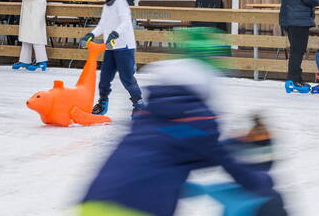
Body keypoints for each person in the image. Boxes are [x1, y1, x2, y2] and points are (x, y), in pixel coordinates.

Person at [79, 28, 284, 216]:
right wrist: (265, 186)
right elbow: (223, 161)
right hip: (138, 207)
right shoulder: (198, 116)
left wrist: (234, 144)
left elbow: (181, 148)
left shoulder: (151, 113)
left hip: (94, 202)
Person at [82, 0, 142, 116]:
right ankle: (102, 104)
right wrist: (92, 34)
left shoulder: (121, 2)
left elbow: (126, 22)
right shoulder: (107, 5)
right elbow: (102, 25)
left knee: (127, 78)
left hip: (125, 47)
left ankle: (139, 104)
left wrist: (115, 33)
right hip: (111, 46)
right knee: (105, 77)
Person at [279, 0, 319, 94]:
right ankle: (293, 80)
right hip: (299, 21)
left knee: (295, 51)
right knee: (298, 51)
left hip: (289, 19)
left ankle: (295, 79)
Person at [12, 0, 53, 72]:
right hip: (32, 10)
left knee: (35, 36)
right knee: (27, 35)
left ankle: (41, 61)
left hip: (35, 11)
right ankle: (25, 60)